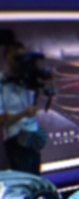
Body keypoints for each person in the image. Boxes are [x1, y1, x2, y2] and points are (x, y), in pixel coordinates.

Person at [0, 41, 44, 174]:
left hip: (32, 135)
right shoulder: (2, 82)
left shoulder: (27, 79)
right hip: (16, 139)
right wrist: (23, 114)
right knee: (25, 177)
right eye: (17, 58)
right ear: (7, 59)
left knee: (36, 177)